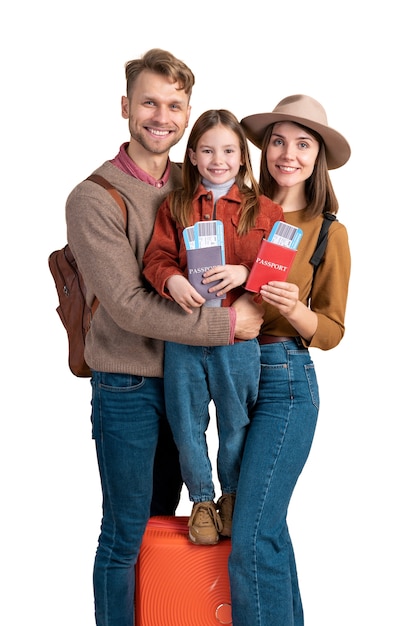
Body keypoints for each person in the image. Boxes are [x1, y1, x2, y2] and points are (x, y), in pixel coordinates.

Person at [65, 49, 263, 626]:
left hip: (192, 381)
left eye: (175, 105)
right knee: (126, 532)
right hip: (128, 385)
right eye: (149, 101)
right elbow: (127, 305)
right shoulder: (93, 198)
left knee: (167, 523)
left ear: (188, 113)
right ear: (126, 107)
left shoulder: (199, 182)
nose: (162, 116)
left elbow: (249, 243)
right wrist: (227, 326)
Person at [228, 94, 351, 625]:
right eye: (278, 140)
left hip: (286, 381)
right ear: (264, 148)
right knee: (263, 530)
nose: (288, 154)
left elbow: (331, 331)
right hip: (230, 376)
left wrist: (296, 310)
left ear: (317, 156)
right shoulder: (237, 211)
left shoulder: (327, 231)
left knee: (252, 536)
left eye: (303, 144)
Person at [143, 109, 283, 546]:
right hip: (185, 335)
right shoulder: (177, 205)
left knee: (236, 422)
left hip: (238, 341)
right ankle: (201, 500)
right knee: (185, 424)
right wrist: (172, 279)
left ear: (243, 156)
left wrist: (246, 275)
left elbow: (276, 272)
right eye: (207, 150)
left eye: (227, 150)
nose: (217, 159)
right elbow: (156, 258)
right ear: (192, 155)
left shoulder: (267, 210)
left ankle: (232, 497)